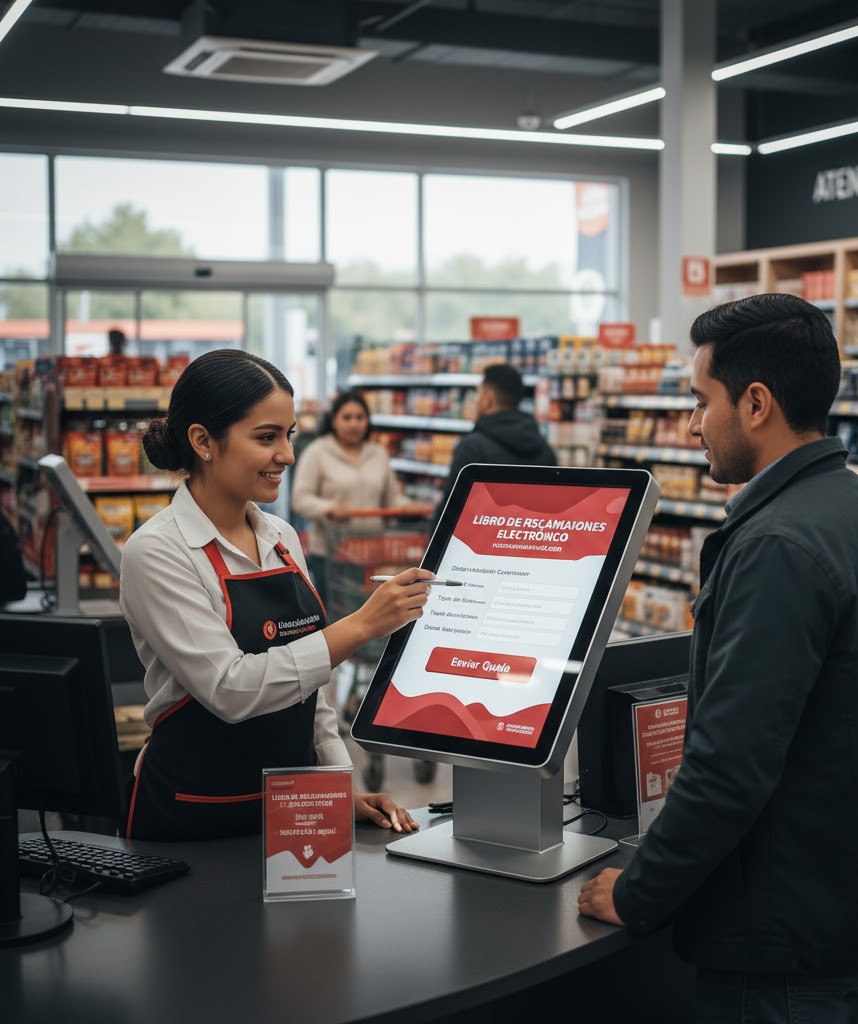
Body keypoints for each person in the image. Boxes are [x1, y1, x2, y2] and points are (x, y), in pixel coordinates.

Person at [577, 294, 858, 1023]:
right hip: (847, 894)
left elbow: (730, 764)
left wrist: (638, 892)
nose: (694, 424)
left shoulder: (778, 547)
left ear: (756, 402)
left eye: (703, 401)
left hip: (781, 923)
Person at [120, 349, 432, 841]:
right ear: (202, 440)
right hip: (194, 816)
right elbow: (229, 689)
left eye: (288, 435)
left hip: (293, 810)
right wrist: (361, 626)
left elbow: (312, 693)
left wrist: (336, 787)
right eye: (266, 437)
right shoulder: (157, 552)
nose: (287, 455)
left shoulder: (281, 538)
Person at [291, 389, 413, 593]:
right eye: (347, 417)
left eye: (360, 417)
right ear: (334, 421)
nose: (354, 424)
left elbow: (392, 499)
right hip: (331, 551)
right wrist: (328, 508)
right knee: (335, 613)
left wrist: (412, 507)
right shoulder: (317, 452)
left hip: (371, 552)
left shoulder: (378, 453)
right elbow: (300, 499)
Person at [430, 362, 556, 532]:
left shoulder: (472, 449)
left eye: (478, 393)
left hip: (481, 553)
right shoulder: (545, 451)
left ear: (488, 398)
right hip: (531, 549)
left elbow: (450, 514)